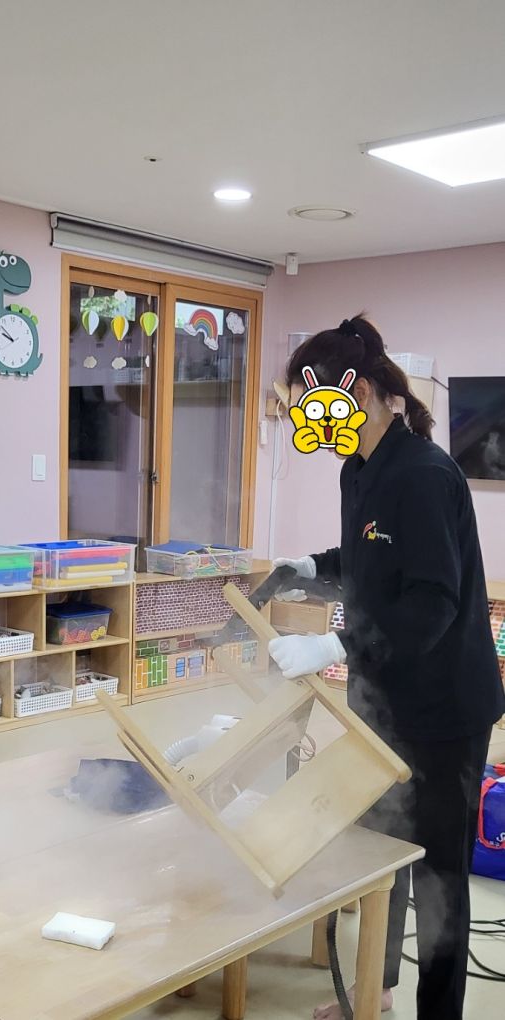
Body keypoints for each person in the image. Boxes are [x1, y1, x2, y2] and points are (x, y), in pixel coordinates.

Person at [268, 316, 505, 1020]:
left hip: (444, 710)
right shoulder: (358, 468)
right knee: (381, 852)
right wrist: (312, 567)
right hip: (385, 700)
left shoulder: (426, 476)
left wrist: (334, 647)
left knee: (437, 875)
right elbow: (371, 559)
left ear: (362, 394)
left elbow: (430, 603)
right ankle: (377, 987)